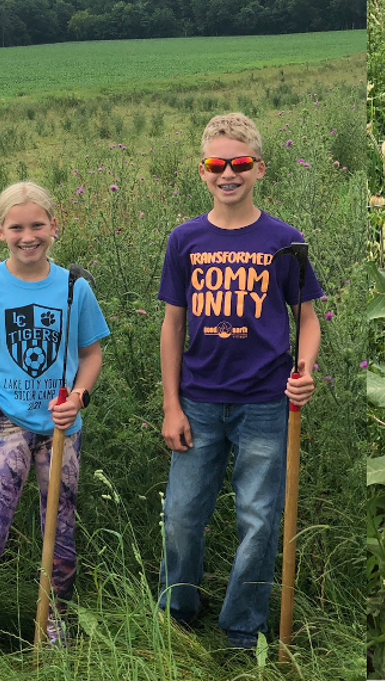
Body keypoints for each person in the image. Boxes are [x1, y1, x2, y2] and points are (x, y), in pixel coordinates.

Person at [157, 112, 323, 650]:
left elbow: (308, 317)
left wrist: (305, 372)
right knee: (182, 516)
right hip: (199, 401)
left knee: (259, 519)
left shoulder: (285, 240)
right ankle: (178, 613)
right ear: (202, 170)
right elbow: (173, 324)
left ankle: (240, 631)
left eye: (239, 164)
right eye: (216, 164)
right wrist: (171, 406)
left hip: (265, 404)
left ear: (259, 169)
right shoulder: (185, 239)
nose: (227, 173)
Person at [0, 181, 110, 645]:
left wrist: (78, 395)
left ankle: (53, 624)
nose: (28, 235)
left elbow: (91, 354)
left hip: (62, 428)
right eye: (16, 227)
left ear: (55, 226)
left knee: (59, 535)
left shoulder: (74, 288)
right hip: (3, 425)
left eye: (38, 225)